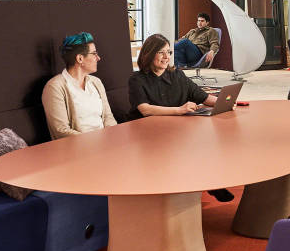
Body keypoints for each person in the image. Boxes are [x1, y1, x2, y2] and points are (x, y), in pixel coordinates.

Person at [128, 33, 234, 202]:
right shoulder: (137, 80)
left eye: (169, 52)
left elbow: (202, 96)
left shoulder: (177, 75)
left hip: (177, 130)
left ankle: (211, 182)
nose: (166, 57)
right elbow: (145, 110)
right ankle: (208, 184)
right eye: (161, 52)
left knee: (209, 138)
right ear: (149, 53)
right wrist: (179, 110)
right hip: (150, 134)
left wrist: (225, 101)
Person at [42, 31, 117, 139]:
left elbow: (108, 117)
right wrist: (92, 142)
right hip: (78, 148)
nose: (98, 58)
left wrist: (113, 137)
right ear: (80, 58)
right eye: (94, 53)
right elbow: (61, 130)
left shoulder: (96, 82)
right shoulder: (54, 87)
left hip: (105, 142)